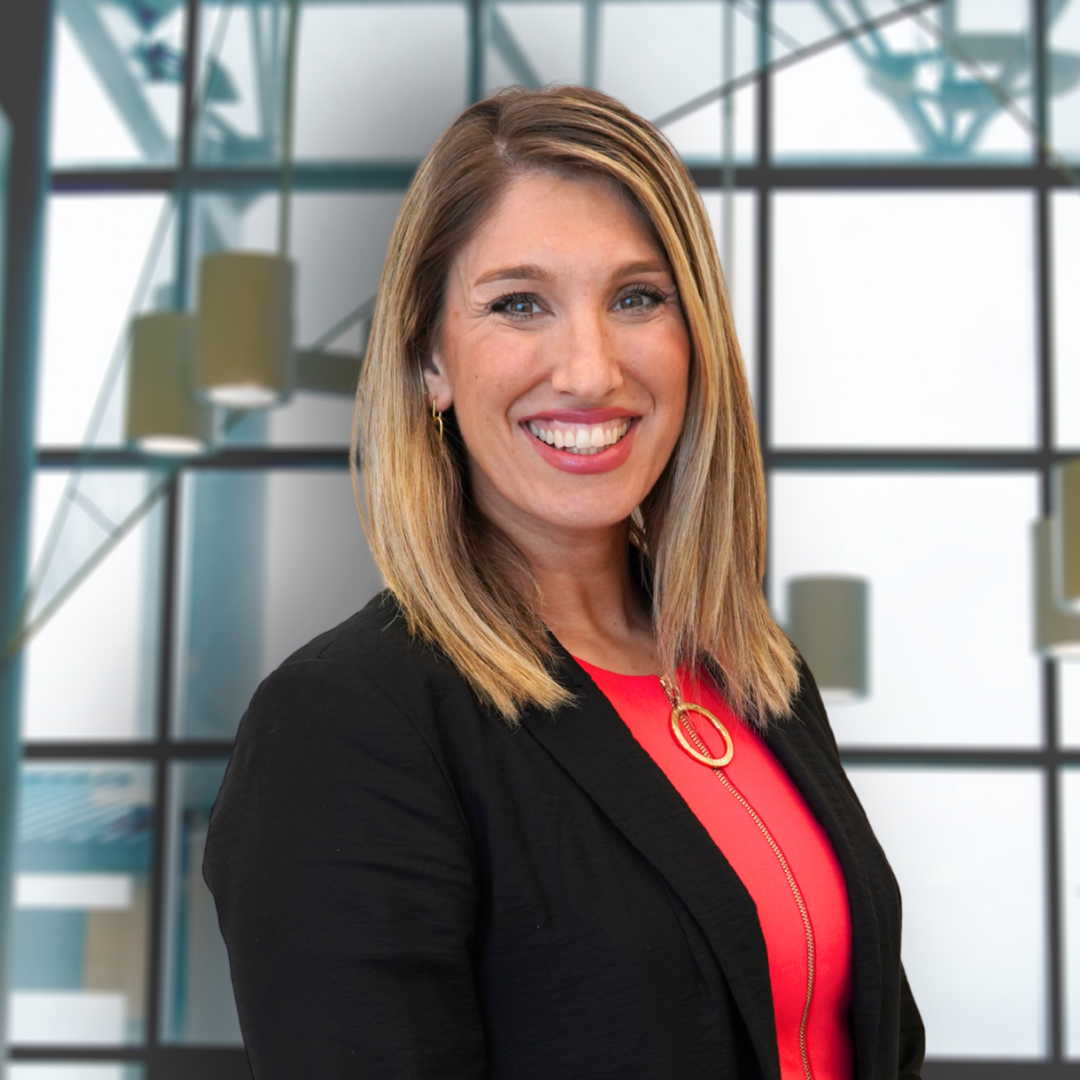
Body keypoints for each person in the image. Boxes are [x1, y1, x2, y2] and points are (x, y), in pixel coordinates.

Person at [203, 85, 924, 1080]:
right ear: (428, 361)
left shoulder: (758, 673)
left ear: (695, 337)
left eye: (638, 297)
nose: (589, 370)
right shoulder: (344, 725)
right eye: (518, 304)